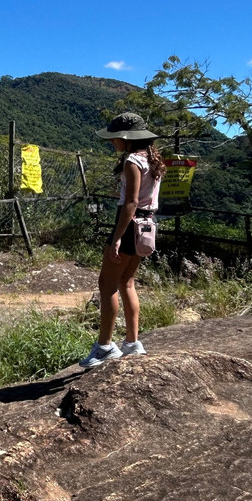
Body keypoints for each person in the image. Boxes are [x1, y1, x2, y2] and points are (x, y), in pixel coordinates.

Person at [80, 112, 167, 368]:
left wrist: (117, 238)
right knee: (127, 281)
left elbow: (131, 202)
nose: (112, 142)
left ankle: (105, 346)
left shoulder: (132, 160)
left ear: (127, 138)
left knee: (106, 284)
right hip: (147, 225)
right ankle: (132, 342)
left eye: (115, 137)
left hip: (129, 224)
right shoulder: (152, 159)